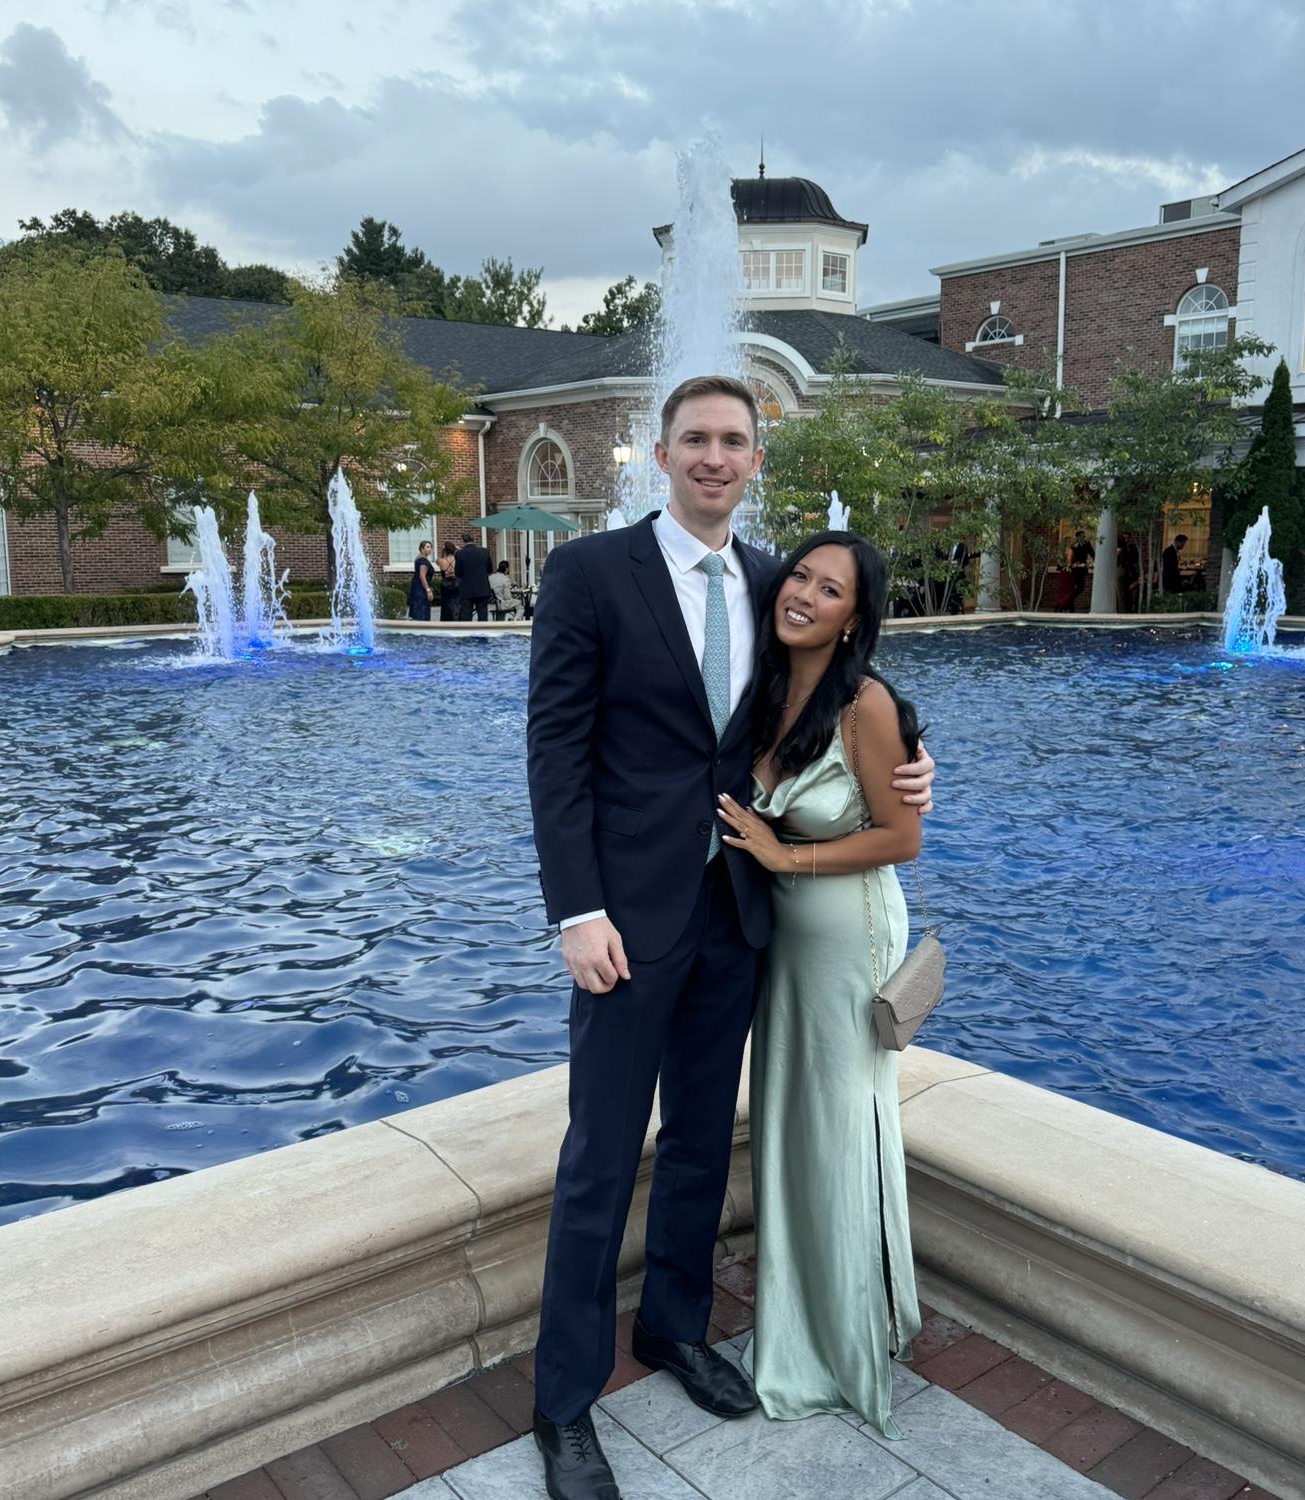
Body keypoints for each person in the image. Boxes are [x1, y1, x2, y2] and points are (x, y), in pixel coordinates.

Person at [526, 374, 935, 1500]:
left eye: (734, 441)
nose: (714, 457)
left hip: (739, 914)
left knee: (705, 1140)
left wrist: (916, 760)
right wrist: (576, 911)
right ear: (660, 455)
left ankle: (673, 1326)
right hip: (624, 919)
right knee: (601, 1156)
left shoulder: (771, 581)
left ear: (757, 461)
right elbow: (554, 753)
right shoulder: (589, 573)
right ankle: (563, 1400)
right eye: (695, 438)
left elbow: (844, 692)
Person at [713, 530, 923, 1436]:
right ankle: (806, 1312)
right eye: (799, 574)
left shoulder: (864, 702)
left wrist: (784, 855)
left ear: (853, 619)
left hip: (847, 935)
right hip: (783, 939)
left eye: (830, 589)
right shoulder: (764, 686)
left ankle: (841, 1341)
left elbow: (902, 837)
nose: (803, 594)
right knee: (791, 1119)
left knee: (836, 1126)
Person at [455, 534, 493, 621]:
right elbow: (490, 570)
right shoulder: (485, 552)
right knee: (483, 615)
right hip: (482, 588)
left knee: (466, 615)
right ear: (474, 540)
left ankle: (468, 629)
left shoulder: (460, 554)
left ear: (463, 541)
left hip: (466, 589)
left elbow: (458, 573)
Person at [1067, 530, 1095, 612]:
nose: (1083, 538)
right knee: (1077, 588)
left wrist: (1092, 563)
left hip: (1081, 568)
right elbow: (1069, 559)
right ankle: (1069, 603)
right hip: (1074, 568)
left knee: (1080, 588)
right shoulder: (1073, 545)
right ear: (1077, 537)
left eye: (1084, 536)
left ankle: (1069, 603)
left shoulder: (1086, 544)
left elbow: (1093, 554)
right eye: (1081, 536)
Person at [407, 540, 435, 621]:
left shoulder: (418, 558)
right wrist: (428, 590)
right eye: (427, 547)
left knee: (417, 609)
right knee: (421, 610)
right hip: (421, 589)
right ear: (422, 549)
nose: (430, 549)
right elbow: (422, 576)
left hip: (416, 586)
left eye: (430, 547)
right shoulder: (423, 561)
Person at [438, 542, 459, 622]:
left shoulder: (441, 561)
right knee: (457, 602)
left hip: (445, 583)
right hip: (456, 582)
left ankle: (446, 619)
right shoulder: (457, 560)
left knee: (446, 603)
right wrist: (457, 548)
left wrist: (442, 552)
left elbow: (437, 560)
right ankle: (456, 618)